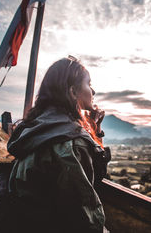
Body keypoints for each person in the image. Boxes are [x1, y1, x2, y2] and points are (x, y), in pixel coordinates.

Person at [7, 56, 111, 233]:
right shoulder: (71, 142)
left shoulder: (37, 129)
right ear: (72, 92)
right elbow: (84, 216)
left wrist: (95, 128)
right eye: (89, 84)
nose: (93, 91)